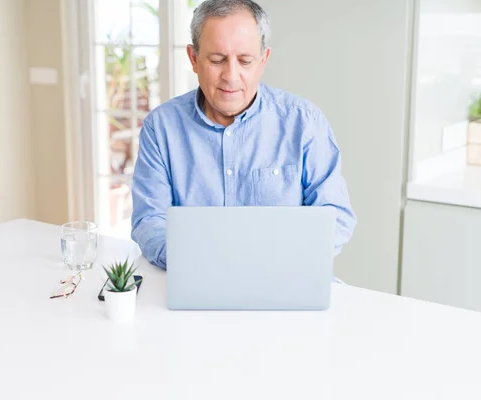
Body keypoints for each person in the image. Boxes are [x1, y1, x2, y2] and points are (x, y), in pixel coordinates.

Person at [131, 0, 356, 269]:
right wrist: (201, 261)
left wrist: (271, 258)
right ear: (193, 59)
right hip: (196, 277)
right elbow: (149, 221)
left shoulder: (304, 123)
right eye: (217, 60)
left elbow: (336, 217)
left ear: (263, 60)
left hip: (284, 278)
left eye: (245, 61)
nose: (231, 76)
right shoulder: (161, 127)